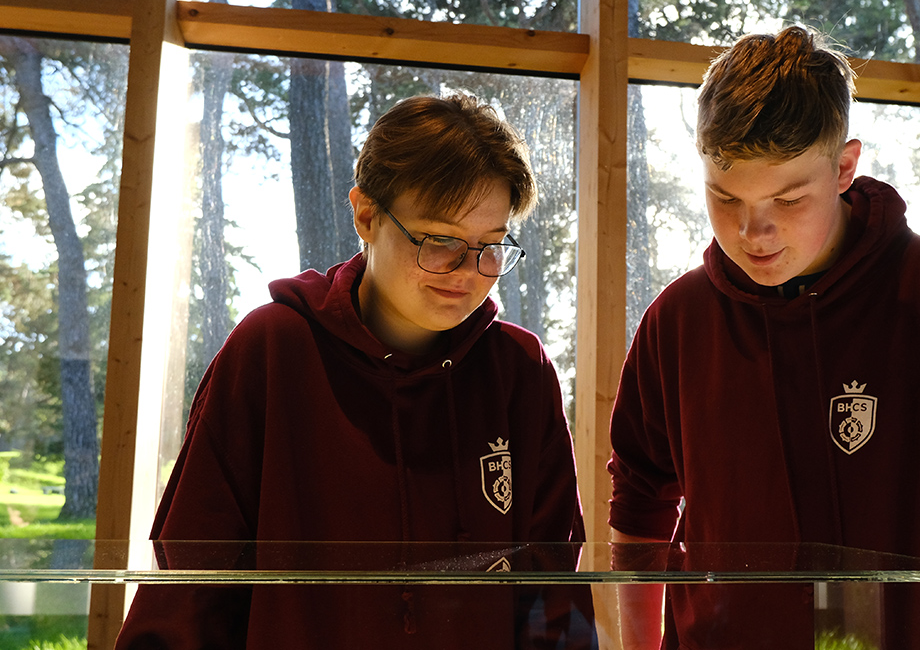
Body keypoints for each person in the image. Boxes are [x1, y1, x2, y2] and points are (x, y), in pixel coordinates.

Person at [607, 25, 920, 650]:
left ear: (845, 168)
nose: (754, 232)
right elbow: (639, 506)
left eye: (788, 198)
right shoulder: (676, 318)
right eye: (725, 198)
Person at [116, 94, 595, 649]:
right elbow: (192, 579)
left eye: (490, 247)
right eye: (440, 242)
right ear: (366, 214)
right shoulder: (273, 349)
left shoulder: (520, 369)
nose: (468, 272)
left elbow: (552, 590)